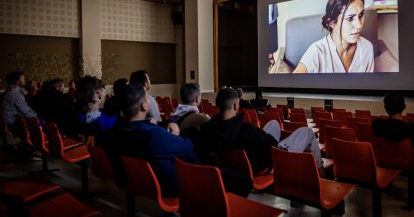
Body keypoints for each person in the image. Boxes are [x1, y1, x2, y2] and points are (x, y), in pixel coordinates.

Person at [112, 83, 252, 198]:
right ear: (144, 106)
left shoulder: (118, 132)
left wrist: (167, 122)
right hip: (178, 184)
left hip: (144, 182)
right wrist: (175, 129)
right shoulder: (154, 136)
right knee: (244, 182)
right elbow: (188, 145)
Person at [201, 87, 323, 174]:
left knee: (274, 123)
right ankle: (320, 172)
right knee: (307, 132)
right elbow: (272, 145)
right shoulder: (245, 129)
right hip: (268, 163)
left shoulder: (208, 128)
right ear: (235, 105)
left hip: (235, 164)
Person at [294, 0, 374, 73]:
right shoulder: (316, 53)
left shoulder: (367, 48)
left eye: (361, 15)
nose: (359, 25)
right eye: (350, 18)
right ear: (332, 23)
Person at [76, 76, 117, 145]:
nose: (105, 96)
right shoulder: (110, 122)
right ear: (98, 94)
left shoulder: (75, 118)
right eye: (104, 91)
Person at [0, 71, 37, 136]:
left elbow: (24, 93)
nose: (24, 80)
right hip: (12, 123)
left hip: (9, 120)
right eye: (22, 78)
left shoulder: (12, 89)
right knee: (39, 125)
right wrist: (37, 116)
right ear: (17, 81)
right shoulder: (14, 92)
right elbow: (25, 110)